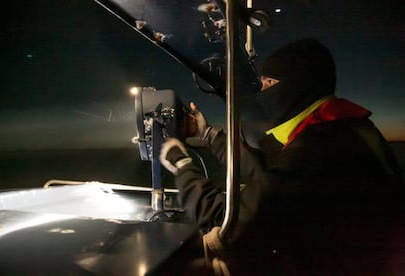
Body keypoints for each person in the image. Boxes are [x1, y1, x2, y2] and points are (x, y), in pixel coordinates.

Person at [159, 38, 405, 274]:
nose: (261, 92)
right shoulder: (342, 127)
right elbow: (268, 174)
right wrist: (209, 135)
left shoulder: (317, 150)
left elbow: (229, 224)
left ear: (296, 84)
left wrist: (181, 165)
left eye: (268, 84)